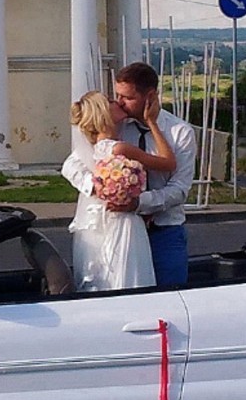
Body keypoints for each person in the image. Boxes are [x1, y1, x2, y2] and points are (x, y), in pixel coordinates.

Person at [65, 90, 176, 291]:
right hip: (125, 221)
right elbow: (168, 163)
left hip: (104, 220)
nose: (118, 102)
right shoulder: (120, 148)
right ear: (103, 113)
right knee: (129, 274)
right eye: (110, 101)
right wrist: (152, 122)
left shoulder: (94, 148)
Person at [109, 62, 197, 285]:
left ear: (149, 96)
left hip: (164, 230)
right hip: (124, 229)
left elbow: (179, 190)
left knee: (169, 292)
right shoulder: (117, 127)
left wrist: (139, 203)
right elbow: (74, 164)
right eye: (117, 95)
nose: (120, 103)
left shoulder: (180, 132)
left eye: (127, 97)